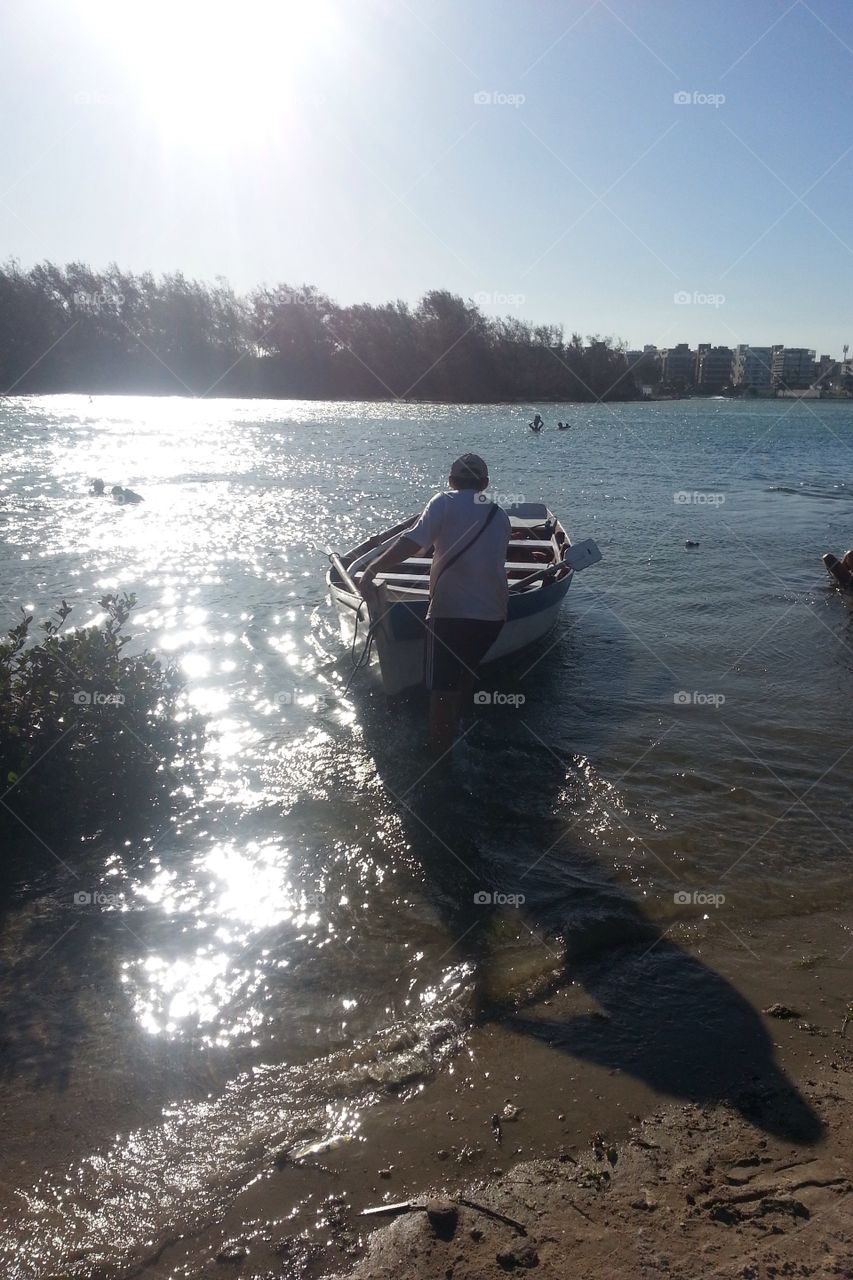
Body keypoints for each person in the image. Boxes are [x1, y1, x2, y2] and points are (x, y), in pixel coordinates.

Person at [359, 453, 511, 757]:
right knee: (466, 670)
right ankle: (458, 727)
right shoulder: (500, 515)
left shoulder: (443, 502)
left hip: (451, 614)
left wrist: (372, 569)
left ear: (451, 481)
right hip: (493, 616)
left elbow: (412, 543)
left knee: (442, 690)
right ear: (484, 484)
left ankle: (441, 761)